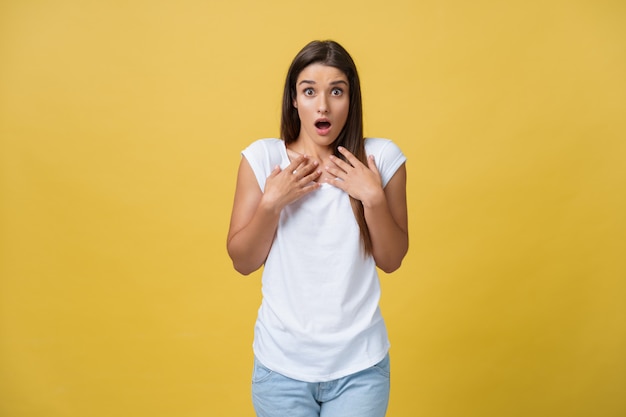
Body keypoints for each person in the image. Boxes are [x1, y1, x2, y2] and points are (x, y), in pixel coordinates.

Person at [226, 40, 408, 417]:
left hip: (361, 367)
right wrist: (271, 204)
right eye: (309, 91)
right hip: (281, 369)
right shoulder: (263, 159)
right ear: (294, 99)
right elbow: (242, 261)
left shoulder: (382, 159)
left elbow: (391, 260)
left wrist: (372, 198)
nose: (322, 105)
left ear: (351, 98)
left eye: (336, 91)